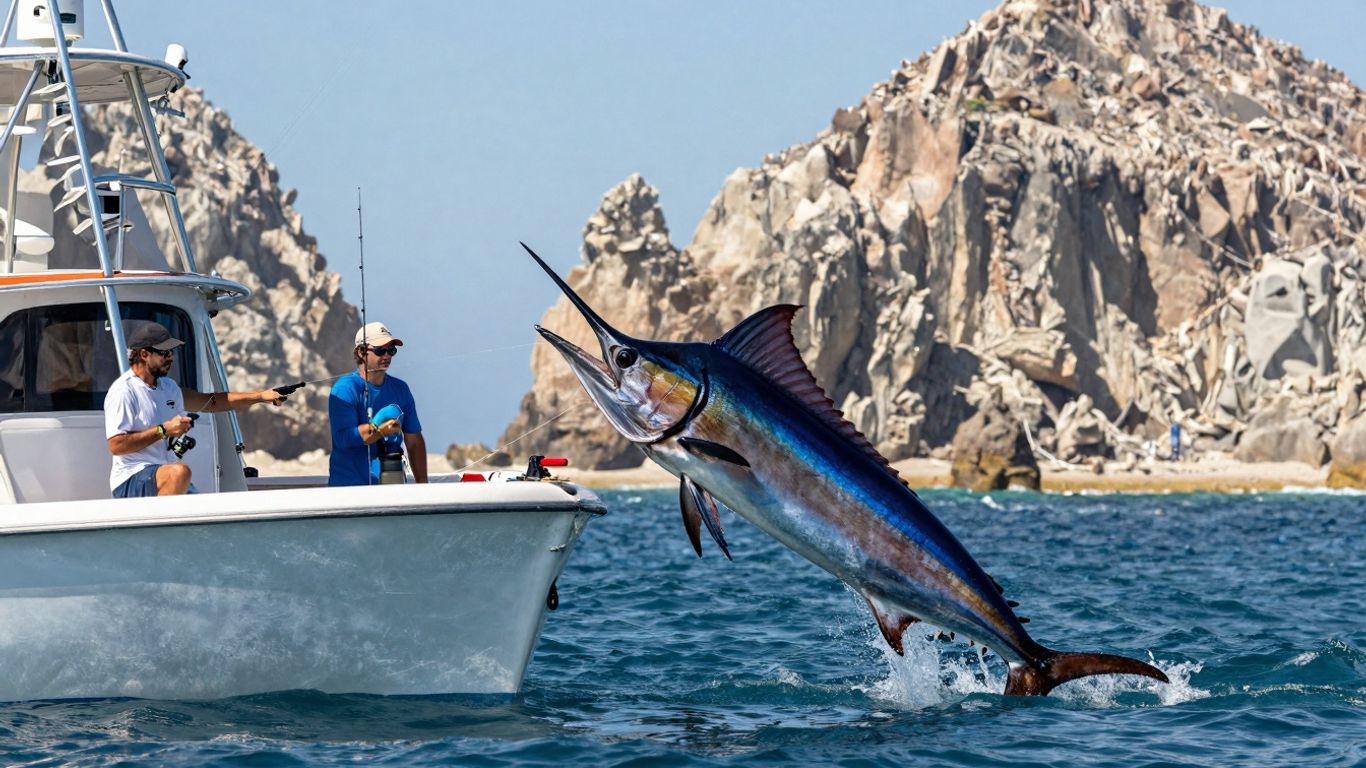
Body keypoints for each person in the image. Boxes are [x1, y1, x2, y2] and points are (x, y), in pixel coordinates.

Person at [105, 321, 290, 497]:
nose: (171, 357)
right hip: (130, 478)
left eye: (172, 351)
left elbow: (212, 402)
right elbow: (117, 445)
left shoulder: (169, 387)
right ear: (144, 355)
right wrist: (164, 430)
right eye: (165, 352)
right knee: (180, 473)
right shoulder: (123, 391)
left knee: (207, 507)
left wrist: (261, 396)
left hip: (163, 472)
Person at [328, 321, 427, 486]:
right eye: (380, 350)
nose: (387, 356)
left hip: (391, 490)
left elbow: (414, 440)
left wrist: (423, 485)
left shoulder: (401, 389)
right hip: (348, 491)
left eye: (391, 350)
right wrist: (379, 431)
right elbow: (343, 438)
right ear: (361, 352)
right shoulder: (344, 389)